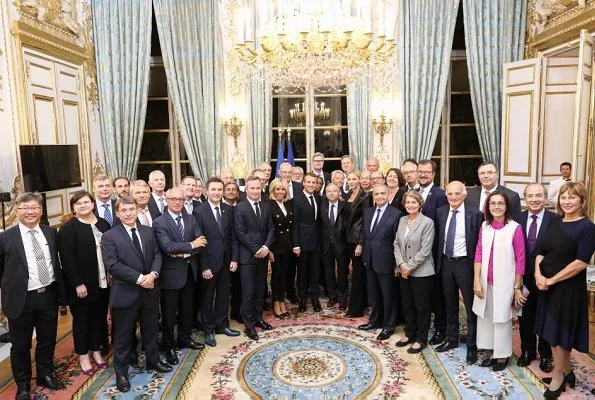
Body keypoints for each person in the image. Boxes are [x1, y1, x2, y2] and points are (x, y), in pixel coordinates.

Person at [101, 196, 173, 393]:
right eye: (123, 210)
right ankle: (121, 373)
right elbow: (112, 265)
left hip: (150, 291)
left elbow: (158, 254)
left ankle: (153, 361)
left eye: (131, 209)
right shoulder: (109, 236)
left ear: (137, 210)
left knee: (151, 330)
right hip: (126, 291)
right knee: (123, 336)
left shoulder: (148, 231)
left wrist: (153, 274)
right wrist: (141, 278)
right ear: (117, 213)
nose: (128, 213)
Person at [0, 192, 66, 399]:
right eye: (25, 208)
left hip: (48, 295)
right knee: (21, 345)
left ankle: (45, 374)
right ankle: (23, 384)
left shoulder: (51, 232)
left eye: (34, 208)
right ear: (17, 211)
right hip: (21, 300)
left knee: (47, 340)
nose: (30, 212)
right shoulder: (4, 238)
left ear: (41, 210)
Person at [534, 182, 595, 398]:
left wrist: (551, 280)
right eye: (564, 198)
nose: (567, 202)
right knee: (549, 332)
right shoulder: (554, 221)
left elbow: (580, 263)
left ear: (582, 201)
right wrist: (538, 274)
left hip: (567, 288)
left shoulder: (588, 227)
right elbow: (540, 251)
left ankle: (558, 378)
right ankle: (567, 371)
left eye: (572, 198)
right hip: (546, 284)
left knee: (560, 333)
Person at [57, 191, 110, 375]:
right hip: (81, 286)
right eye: (78, 203)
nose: (82, 206)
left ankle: (95, 350)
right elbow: (67, 259)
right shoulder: (68, 229)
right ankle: (83, 355)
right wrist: (78, 283)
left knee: (98, 318)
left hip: (102, 282)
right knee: (81, 321)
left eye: (86, 202)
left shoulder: (103, 224)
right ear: (73, 208)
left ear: (93, 204)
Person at [472, 191, 525, 372]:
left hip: (505, 282)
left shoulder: (515, 228)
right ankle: (490, 351)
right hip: (485, 281)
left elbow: (521, 259)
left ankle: (502, 355)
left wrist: (517, 286)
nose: (496, 206)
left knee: (502, 318)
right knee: (485, 315)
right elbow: (478, 253)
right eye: (492, 203)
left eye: (500, 203)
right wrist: (476, 281)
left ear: (506, 206)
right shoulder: (484, 227)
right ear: (488, 206)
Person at [153, 187, 206, 365]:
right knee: (168, 314)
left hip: (190, 272)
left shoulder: (191, 219)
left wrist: (182, 252)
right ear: (166, 200)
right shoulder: (159, 222)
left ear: (184, 201)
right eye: (173, 199)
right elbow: (167, 247)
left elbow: (202, 243)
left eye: (180, 199)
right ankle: (169, 347)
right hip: (170, 276)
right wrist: (190, 245)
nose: (177, 202)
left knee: (187, 310)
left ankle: (185, 338)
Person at [435, 181, 483, 364]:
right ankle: (452, 338)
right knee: (450, 303)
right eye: (450, 193)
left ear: (464, 195)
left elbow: (480, 244)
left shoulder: (475, 214)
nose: (453, 197)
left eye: (457, 193)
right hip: (446, 263)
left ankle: (472, 345)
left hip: (466, 265)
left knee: (471, 307)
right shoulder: (441, 212)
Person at [194, 178, 241, 347]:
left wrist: (235, 258)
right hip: (209, 263)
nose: (216, 192)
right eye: (213, 189)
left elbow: (233, 237)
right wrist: (204, 266)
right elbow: (199, 242)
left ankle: (222, 325)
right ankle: (209, 330)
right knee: (207, 298)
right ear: (207, 191)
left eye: (219, 189)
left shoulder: (228, 209)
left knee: (223, 295)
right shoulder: (199, 212)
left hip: (227, 261)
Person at [513, 183, 554, 372]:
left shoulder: (556, 220)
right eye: (530, 196)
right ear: (525, 199)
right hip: (522, 276)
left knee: (545, 316)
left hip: (546, 277)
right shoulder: (517, 219)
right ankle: (527, 351)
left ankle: (546, 355)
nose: (534, 199)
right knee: (525, 316)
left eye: (539, 195)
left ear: (545, 198)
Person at [358, 184, 403, 341]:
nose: (379, 196)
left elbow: (398, 241)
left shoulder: (396, 214)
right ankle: (374, 321)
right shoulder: (368, 212)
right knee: (374, 294)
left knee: (388, 295)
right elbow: (365, 234)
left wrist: (397, 264)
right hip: (370, 260)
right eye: (376, 194)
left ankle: (389, 326)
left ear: (389, 194)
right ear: (373, 196)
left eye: (383, 193)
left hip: (387, 262)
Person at [394, 190, 435, 353]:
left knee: (421, 306)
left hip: (421, 272)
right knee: (407, 304)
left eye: (414, 202)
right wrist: (401, 264)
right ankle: (410, 334)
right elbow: (396, 244)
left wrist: (409, 267)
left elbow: (425, 250)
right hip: (403, 270)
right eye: (408, 202)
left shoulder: (427, 222)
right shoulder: (402, 220)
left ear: (420, 204)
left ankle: (421, 338)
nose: (410, 205)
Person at [234, 176, 275, 340]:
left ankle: (259, 319)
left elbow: (271, 228)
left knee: (260, 290)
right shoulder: (240, 208)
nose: (256, 191)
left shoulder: (266, 206)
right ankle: (249, 326)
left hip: (263, 256)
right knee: (248, 292)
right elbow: (241, 233)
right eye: (252, 188)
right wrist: (257, 249)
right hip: (248, 257)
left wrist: (265, 247)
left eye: (258, 188)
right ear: (246, 189)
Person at [417, 159, 448, 346]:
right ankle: (422, 326)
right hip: (417, 254)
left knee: (437, 295)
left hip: (434, 253)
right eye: (420, 171)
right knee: (423, 294)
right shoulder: (414, 192)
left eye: (426, 172)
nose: (422, 175)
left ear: (433, 174)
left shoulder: (440, 195)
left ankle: (440, 329)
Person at [292, 172, 322, 312]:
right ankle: (302, 299)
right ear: (303, 183)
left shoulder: (318, 197)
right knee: (302, 273)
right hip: (302, 243)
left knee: (315, 271)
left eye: (313, 182)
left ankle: (315, 298)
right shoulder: (296, 199)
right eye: (308, 182)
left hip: (317, 242)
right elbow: (295, 224)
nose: (311, 185)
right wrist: (296, 244)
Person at [344, 171, 371, 317]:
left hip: (357, 241)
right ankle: (363, 302)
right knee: (356, 273)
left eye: (355, 178)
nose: (352, 181)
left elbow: (366, 222)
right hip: (348, 239)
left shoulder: (365, 196)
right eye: (349, 179)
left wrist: (360, 244)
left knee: (357, 275)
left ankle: (355, 309)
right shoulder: (348, 194)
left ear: (360, 180)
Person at [320, 183, 349, 309]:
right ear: (325, 193)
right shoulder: (321, 206)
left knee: (342, 271)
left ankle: (342, 298)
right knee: (328, 271)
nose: (331, 193)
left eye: (334, 191)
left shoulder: (345, 206)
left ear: (339, 193)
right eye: (329, 191)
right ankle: (332, 296)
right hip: (326, 244)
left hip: (341, 244)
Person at [268, 178, 293, 318]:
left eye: (283, 189)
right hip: (275, 247)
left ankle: (282, 300)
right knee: (276, 276)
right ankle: (276, 302)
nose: (280, 192)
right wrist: (269, 250)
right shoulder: (269, 205)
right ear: (273, 190)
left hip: (287, 246)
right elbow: (268, 229)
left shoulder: (288, 204)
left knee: (284, 275)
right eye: (277, 189)